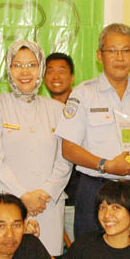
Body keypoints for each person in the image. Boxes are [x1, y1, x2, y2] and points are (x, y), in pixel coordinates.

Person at [56, 23, 130, 238]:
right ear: (100, 55)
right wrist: (106, 165)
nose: (120, 57)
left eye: (126, 51)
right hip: (96, 190)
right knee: (91, 253)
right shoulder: (84, 94)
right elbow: (68, 149)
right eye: (112, 51)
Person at [0, 39, 73, 256]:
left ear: (40, 68)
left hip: (46, 205)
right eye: (17, 65)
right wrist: (23, 196)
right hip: (5, 204)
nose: (25, 72)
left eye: (31, 64)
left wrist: (44, 193)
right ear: (8, 69)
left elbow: (65, 160)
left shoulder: (57, 110)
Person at [44, 51, 79, 240]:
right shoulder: (40, 111)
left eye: (61, 71)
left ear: (72, 77)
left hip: (75, 200)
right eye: (50, 71)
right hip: (45, 200)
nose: (55, 76)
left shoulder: (83, 109)